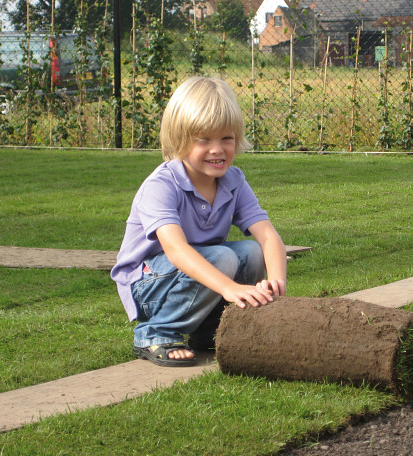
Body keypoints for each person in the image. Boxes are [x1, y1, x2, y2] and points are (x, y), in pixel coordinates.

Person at [111, 76, 287, 367]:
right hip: (148, 285)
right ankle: (156, 332)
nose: (217, 149)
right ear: (180, 139)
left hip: (200, 274)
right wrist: (230, 288)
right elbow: (176, 250)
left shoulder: (233, 181)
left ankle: (210, 330)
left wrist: (276, 280)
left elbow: (268, 236)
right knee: (222, 257)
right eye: (204, 139)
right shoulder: (162, 185)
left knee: (251, 252)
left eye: (226, 138)